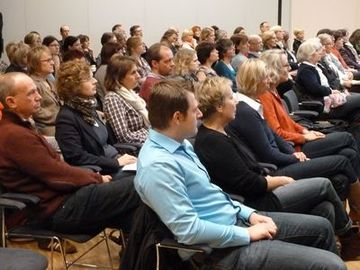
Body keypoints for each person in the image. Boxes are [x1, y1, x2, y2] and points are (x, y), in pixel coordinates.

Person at [134, 79, 346, 269]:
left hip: (234, 221)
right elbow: (189, 230)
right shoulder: (158, 165)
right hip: (218, 252)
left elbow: (215, 194)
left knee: (323, 227)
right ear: (177, 117)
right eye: (195, 110)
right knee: (332, 265)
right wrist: (246, 233)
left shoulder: (181, 145)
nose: (200, 115)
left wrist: (248, 214)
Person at [194, 77, 359, 252]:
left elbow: (254, 166)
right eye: (230, 98)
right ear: (219, 107)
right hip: (258, 202)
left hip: (265, 184)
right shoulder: (213, 141)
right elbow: (249, 183)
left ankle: (334, 250)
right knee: (324, 184)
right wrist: (280, 180)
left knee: (324, 207)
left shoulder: (223, 131)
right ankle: (348, 235)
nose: (235, 101)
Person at [0, 72, 139, 240]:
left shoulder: (18, 129)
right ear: (11, 102)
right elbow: (56, 174)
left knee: (141, 208)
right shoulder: (14, 135)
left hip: (65, 200)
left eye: (37, 91)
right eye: (31, 93)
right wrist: (96, 178)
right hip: (58, 209)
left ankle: (139, 254)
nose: (38, 97)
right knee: (142, 183)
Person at [55, 59, 137, 180]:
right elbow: (77, 157)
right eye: (88, 79)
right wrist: (117, 163)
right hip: (103, 170)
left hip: (117, 159)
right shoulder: (66, 118)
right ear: (73, 85)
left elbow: (107, 144)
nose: (95, 81)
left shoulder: (89, 107)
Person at [104, 55, 149, 144]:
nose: (138, 76)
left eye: (137, 72)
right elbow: (124, 137)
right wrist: (152, 136)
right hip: (136, 149)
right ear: (119, 78)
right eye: (133, 73)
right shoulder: (113, 99)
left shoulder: (131, 93)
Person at [27, 45, 61, 136]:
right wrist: (62, 116)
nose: (52, 63)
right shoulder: (32, 83)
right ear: (36, 64)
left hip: (58, 124)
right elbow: (35, 110)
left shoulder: (49, 80)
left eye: (51, 59)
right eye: (48, 60)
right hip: (47, 129)